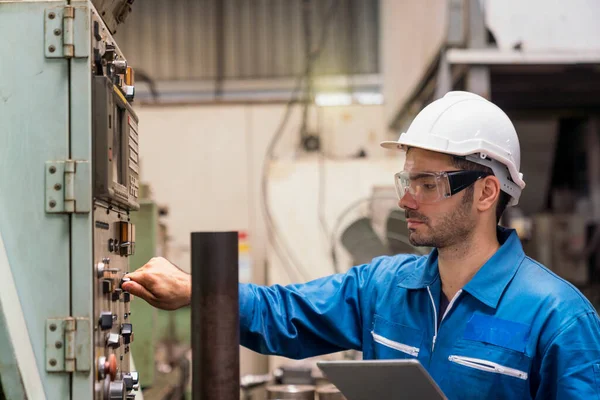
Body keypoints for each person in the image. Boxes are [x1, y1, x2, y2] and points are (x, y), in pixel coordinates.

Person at [122, 91, 600, 399]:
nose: (406, 199)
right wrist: (198, 290)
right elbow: (283, 313)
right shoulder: (385, 287)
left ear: (486, 193)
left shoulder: (558, 319)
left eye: (428, 184)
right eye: (407, 180)